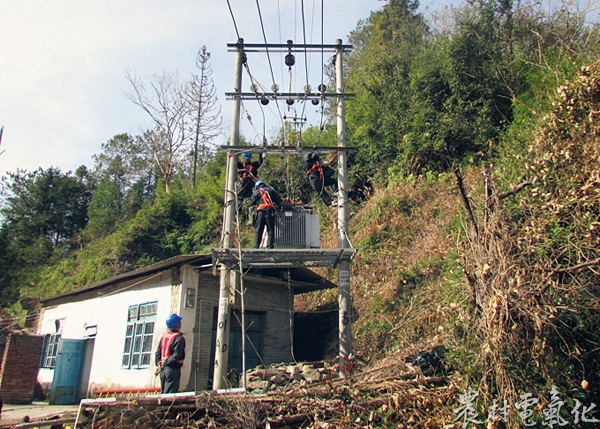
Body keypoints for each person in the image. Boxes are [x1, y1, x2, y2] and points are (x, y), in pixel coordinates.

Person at [155, 313, 186, 394]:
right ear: (178, 324)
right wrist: (166, 362)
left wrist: (159, 363)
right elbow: (176, 355)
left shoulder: (164, 336)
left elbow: (158, 352)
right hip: (172, 370)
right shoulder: (179, 339)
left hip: (163, 370)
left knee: (163, 393)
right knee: (170, 396)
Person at [250, 180, 282, 249]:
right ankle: (270, 246)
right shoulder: (270, 191)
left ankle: (256, 247)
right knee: (270, 230)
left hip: (260, 213)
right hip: (270, 212)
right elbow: (278, 200)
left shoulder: (256, 193)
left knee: (259, 229)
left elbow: (252, 203)